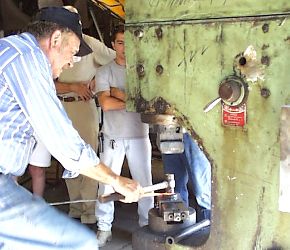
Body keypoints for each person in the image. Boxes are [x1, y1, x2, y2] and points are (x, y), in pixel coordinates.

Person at [0, 7, 142, 250]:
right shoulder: (29, 59)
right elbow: (62, 140)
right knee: (77, 243)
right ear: (55, 39)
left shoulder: (12, 48)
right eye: (73, 52)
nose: (72, 61)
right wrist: (116, 180)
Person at [28, 5, 116, 225]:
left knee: (85, 154)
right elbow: (47, 83)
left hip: (83, 107)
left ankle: (89, 209)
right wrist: (73, 87)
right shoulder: (45, 50)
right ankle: (75, 206)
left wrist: (98, 82)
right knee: (67, 159)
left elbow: (116, 61)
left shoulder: (91, 45)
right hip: (59, 105)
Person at [94, 24, 154, 247]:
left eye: (128, 43)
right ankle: (104, 227)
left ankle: (146, 227)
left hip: (139, 134)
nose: (124, 48)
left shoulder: (141, 72)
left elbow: (147, 103)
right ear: (113, 45)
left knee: (144, 184)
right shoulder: (104, 71)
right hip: (113, 136)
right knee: (106, 183)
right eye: (120, 43)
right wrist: (132, 101)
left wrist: (120, 95)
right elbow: (106, 104)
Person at [162, 132, 211, 222]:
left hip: (194, 132)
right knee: (174, 189)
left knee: (202, 191)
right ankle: (180, 229)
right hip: (169, 132)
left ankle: (206, 229)